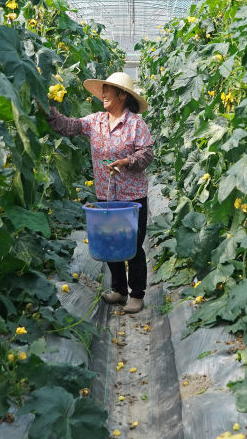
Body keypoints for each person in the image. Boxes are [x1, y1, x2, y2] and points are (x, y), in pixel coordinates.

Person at [44, 72, 154, 314]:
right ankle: (119, 290)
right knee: (111, 243)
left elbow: (147, 153)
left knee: (133, 246)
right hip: (107, 195)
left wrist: (126, 161)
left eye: (108, 90)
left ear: (123, 96)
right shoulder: (96, 121)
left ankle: (137, 294)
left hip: (131, 197)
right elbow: (69, 126)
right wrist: (45, 108)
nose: (103, 94)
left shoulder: (136, 124)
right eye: (103, 90)